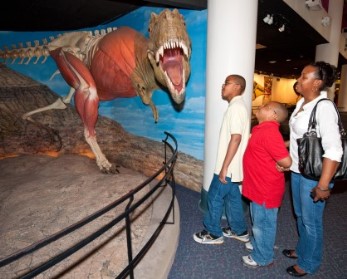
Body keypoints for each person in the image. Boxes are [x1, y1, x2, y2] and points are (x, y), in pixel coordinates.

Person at [284, 61, 343, 277]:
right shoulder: (302, 103)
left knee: (312, 222)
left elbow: (334, 150)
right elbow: (301, 139)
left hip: (315, 176)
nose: (299, 80)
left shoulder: (324, 108)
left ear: (317, 83)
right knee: (300, 215)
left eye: (304, 76)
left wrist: (323, 185)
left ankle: (310, 263)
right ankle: (302, 250)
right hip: (298, 171)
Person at [193, 74, 250, 244]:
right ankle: (239, 230)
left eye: (227, 83)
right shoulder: (237, 106)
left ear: (237, 87)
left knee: (214, 197)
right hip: (232, 167)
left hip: (228, 168)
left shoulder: (236, 108)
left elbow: (236, 138)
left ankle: (213, 233)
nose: (223, 86)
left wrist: (224, 167)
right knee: (233, 199)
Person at [241, 101, 292, 268]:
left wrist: (283, 164)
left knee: (263, 225)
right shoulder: (264, 129)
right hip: (258, 186)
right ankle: (259, 244)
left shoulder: (269, 132)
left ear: (273, 115)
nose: (261, 106)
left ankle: (263, 257)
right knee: (258, 221)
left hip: (265, 189)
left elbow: (286, 161)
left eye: (266, 106)